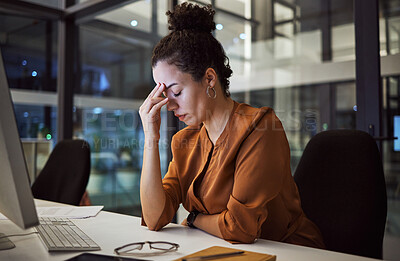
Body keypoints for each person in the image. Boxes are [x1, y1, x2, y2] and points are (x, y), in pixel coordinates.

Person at [139, 2, 325, 248]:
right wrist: (150, 140)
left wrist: (193, 218)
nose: (169, 105)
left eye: (176, 92)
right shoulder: (184, 141)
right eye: (164, 95)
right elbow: (154, 218)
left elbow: (240, 228)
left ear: (209, 78)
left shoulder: (260, 127)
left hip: (289, 251)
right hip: (221, 250)